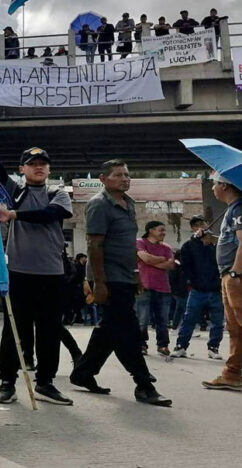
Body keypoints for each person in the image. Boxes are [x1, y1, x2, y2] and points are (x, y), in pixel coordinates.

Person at [69, 160, 171, 406]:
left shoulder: (129, 204)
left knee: (110, 330)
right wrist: (99, 283)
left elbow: (127, 245)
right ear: (103, 179)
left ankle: (83, 373)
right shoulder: (99, 205)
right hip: (109, 278)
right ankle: (143, 383)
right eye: (118, 175)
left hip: (125, 276)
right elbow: (94, 245)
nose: (125, 178)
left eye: (127, 174)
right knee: (128, 330)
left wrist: (136, 274)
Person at [0, 135, 74, 406]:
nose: (39, 167)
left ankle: (46, 383)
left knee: (49, 329)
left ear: (49, 169)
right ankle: (7, 382)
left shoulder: (57, 193)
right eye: (32, 164)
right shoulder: (14, 192)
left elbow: (49, 215)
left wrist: (14, 215)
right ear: (22, 169)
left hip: (51, 273)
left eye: (43, 164)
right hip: (18, 272)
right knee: (14, 330)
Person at [201, 174, 242, 391]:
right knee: (235, 328)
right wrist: (211, 239)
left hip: (236, 276)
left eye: (215, 183)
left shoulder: (238, 209)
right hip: (230, 274)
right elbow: (233, 241)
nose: (214, 188)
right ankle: (232, 373)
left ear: (225, 185)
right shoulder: (233, 209)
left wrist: (235, 273)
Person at [172, 215, 224, 360]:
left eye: (202, 223)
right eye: (196, 225)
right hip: (197, 290)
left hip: (215, 290)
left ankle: (213, 347)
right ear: (193, 228)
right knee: (189, 319)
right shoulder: (189, 245)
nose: (200, 226)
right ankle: (181, 346)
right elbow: (186, 265)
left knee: (217, 322)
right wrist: (196, 241)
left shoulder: (216, 244)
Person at [135, 221, 176, 356]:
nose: (163, 233)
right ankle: (141, 344)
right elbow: (145, 257)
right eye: (161, 230)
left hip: (163, 288)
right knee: (142, 319)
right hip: (144, 286)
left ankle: (163, 345)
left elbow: (170, 265)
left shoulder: (167, 247)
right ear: (151, 230)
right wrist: (161, 259)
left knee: (163, 320)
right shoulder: (140, 242)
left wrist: (152, 261)